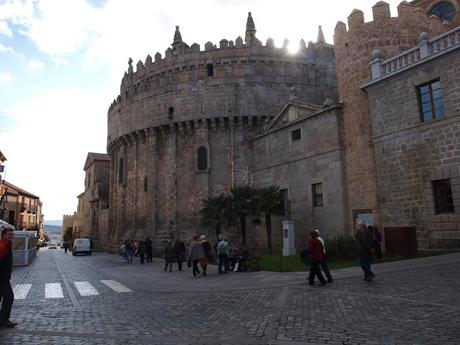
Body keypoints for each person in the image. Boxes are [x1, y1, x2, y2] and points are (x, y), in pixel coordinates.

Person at [0, 228, 17, 328]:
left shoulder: (6, 244)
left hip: (4, 277)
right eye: (9, 234)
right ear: (3, 235)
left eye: (12, 234)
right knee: (9, 297)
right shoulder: (2, 245)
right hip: (2, 278)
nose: (11, 236)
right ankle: (3, 320)